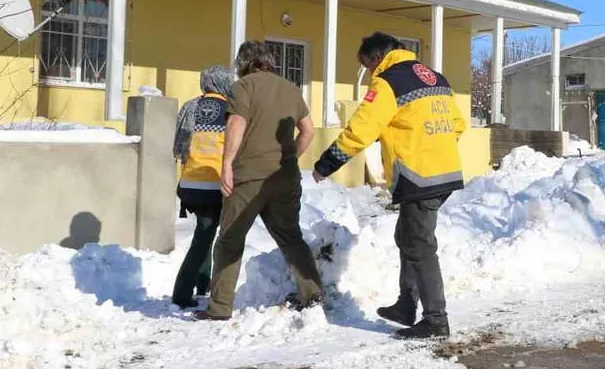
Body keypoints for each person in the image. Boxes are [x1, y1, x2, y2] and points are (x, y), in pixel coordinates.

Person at [312, 32, 467, 339]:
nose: (369, 73)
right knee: (407, 236)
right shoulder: (436, 78)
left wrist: (326, 164)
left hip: (418, 175)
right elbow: (458, 124)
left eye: (366, 65)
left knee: (419, 245)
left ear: (375, 58)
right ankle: (406, 304)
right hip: (446, 171)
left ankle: (436, 319)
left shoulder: (388, 82)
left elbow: (361, 129)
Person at [195, 41, 325, 321]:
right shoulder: (291, 89)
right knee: (291, 237)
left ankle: (219, 308)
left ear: (244, 63)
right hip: (285, 177)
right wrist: (289, 157)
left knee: (230, 239)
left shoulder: (243, 87)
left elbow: (236, 123)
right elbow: (308, 132)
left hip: (249, 177)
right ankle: (313, 295)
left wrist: (227, 164)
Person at [170, 64, 235, 308]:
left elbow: (178, 147)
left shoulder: (190, 107)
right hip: (215, 184)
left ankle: (202, 283)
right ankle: (181, 292)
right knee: (204, 236)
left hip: (189, 183)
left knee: (204, 230)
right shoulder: (232, 110)